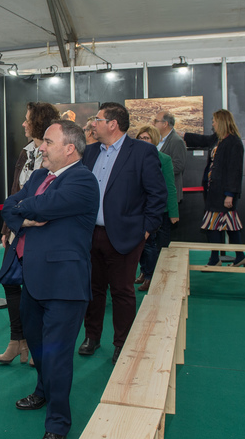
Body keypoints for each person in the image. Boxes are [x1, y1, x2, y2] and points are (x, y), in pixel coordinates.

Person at [1, 119, 99, 439]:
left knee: (57, 356)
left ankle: (58, 425)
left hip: (65, 286)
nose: (41, 147)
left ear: (69, 148)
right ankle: (43, 390)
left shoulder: (84, 181)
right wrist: (24, 216)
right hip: (33, 281)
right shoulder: (41, 176)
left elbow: (42, 206)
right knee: (40, 348)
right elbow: (8, 206)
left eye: (48, 141)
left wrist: (24, 210)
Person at [80, 102, 167, 364]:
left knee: (122, 291)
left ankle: (122, 343)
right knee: (92, 290)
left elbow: (157, 194)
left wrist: (146, 230)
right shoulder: (90, 152)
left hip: (126, 236)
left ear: (112, 124)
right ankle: (92, 337)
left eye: (97, 119)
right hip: (89, 234)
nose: (92, 124)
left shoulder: (142, 152)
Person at [0, 102, 60, 365]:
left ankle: (37, 344)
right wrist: (7, 228)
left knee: (38, 287)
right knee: (11, 282)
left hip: (42, 230)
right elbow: (15, 191)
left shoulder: (55, 154)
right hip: (18, 228)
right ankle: (17, 340)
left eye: (27, 119)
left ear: (39, 121)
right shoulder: (26, 152)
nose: (23, 123)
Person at [183, 110, 245, 267]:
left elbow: (235, 171)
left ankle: (218, 259)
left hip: (224, 192)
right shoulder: (218, 140)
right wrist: (183, 134)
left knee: (220, 224)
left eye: (214, 121)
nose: (212, 124)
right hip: (214, 191)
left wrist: (230, 194)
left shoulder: (234, 142)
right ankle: (234, 257)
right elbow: (202, 140)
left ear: (222, 122)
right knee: (222, 225)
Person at [133, 125, 179, 290]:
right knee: (140, 246)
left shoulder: (164, 159)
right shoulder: (133, 158)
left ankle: (151, 277)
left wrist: (173, 212)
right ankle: (144, 272)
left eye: (147, 138)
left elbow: (169, 187)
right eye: (141, 137)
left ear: (154, 140)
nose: (143, 141)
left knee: (152, 246)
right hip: (137, 211)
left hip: (157, 211)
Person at [154, 111, 187, 207]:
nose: (154, 124)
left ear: (165, 124)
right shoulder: (157, 140)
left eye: (156, 121)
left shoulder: (176, 141)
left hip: (169, 194)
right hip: (158, 193)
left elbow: (178, 166)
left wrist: (156, 169)